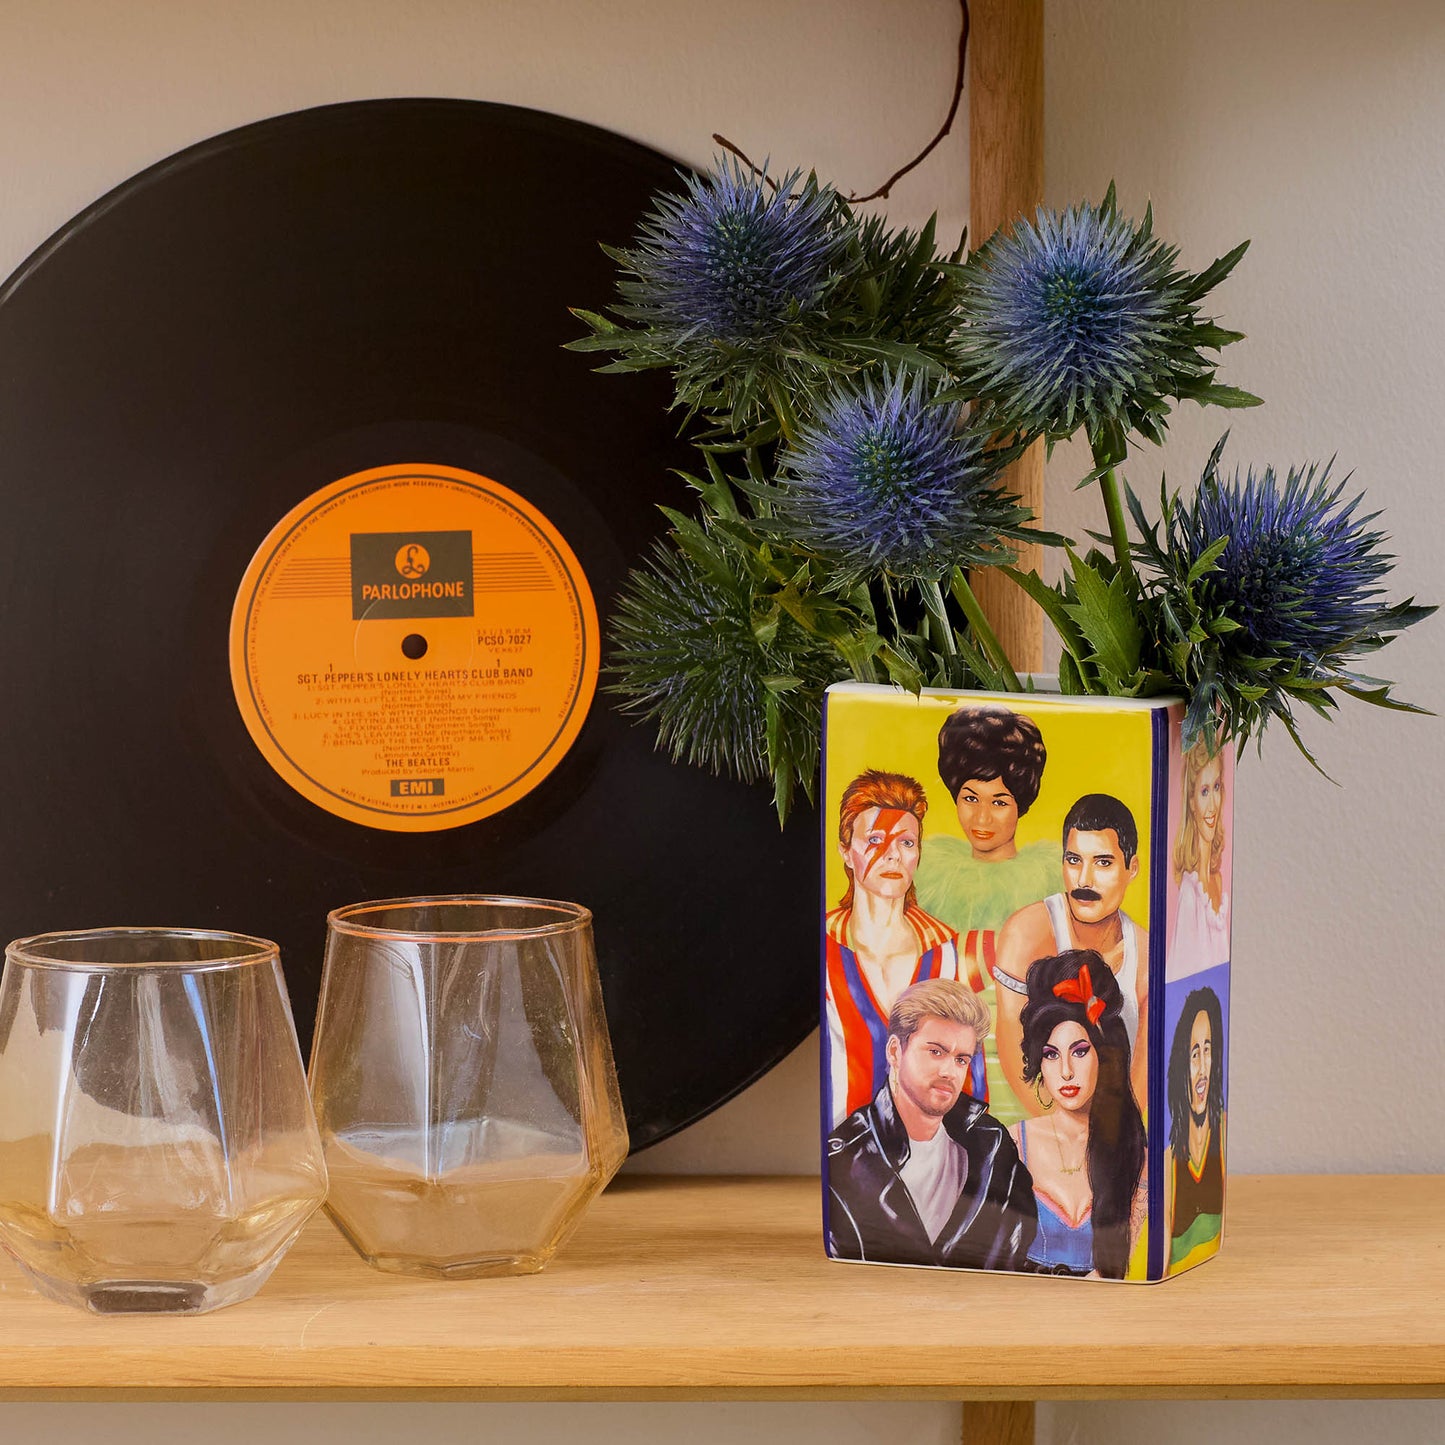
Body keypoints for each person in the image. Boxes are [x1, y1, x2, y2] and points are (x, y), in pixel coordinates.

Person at [912, 705, 1060, 1127]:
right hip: (947, 1064)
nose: (981, 818)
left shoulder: (1049, 882)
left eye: (999, 802)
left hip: (1028, 1058)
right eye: (970, 798)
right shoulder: (928, 875)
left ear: (1021, 803)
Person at [826, 977, 1038, 1270]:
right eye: (936, 1052)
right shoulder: (844, 1158)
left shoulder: (992, 1145)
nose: (949, 1071)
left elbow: (1016, 1248)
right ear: (895, 1052)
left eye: (961, 1060)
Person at [824, 770, 975, 1126]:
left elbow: (971, 1075)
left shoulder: (949, 954)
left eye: (906, 842)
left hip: (934, 1149)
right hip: (840, 1148)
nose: (892, 855)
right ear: (846, 852)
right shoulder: (825, 947)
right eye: (875, 840)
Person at [993, 794, 1150, 1114]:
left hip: (1117, 1130)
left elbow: (1142, 1078)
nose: (1084, 879)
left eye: (1103, 863)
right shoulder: (1028, 933)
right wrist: (1065, 1135)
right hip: (1040, 1127)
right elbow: (1017, 1059)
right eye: (1074, 860)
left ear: (1131, 868)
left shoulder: (1146, 955)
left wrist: (1110, 1135)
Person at [1008, 951, 1147, 1279]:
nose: (1066, 1071)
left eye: (1080, 1051)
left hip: (1104, 1304)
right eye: (1051, 1055)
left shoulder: (1136, 1155)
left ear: (1105, 1056)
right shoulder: (1012, 1145)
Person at [1164, 987, 1226, 1271]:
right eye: (1194, 1054)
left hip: (1217, 1275)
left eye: (1208, 1050)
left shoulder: (1221, 1129)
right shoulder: (1168, 1162)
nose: (1202, 1068)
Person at [1169, 740, 1230, 977]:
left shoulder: (1218, 881)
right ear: (1192, 802)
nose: (1212, 805)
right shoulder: (1190, 894)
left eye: (1216, 787)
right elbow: (1180, 977)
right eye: (1204, 791)